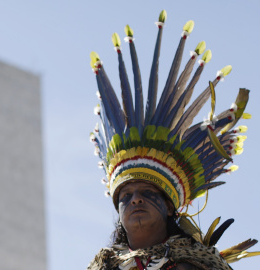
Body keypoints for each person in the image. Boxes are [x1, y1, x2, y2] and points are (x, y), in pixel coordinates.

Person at [86, 10, 258, 270]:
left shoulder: (196, 265)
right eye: (126, 195)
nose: (135, 200)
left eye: (147, 191)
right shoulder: (103, 266)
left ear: (168, 207)